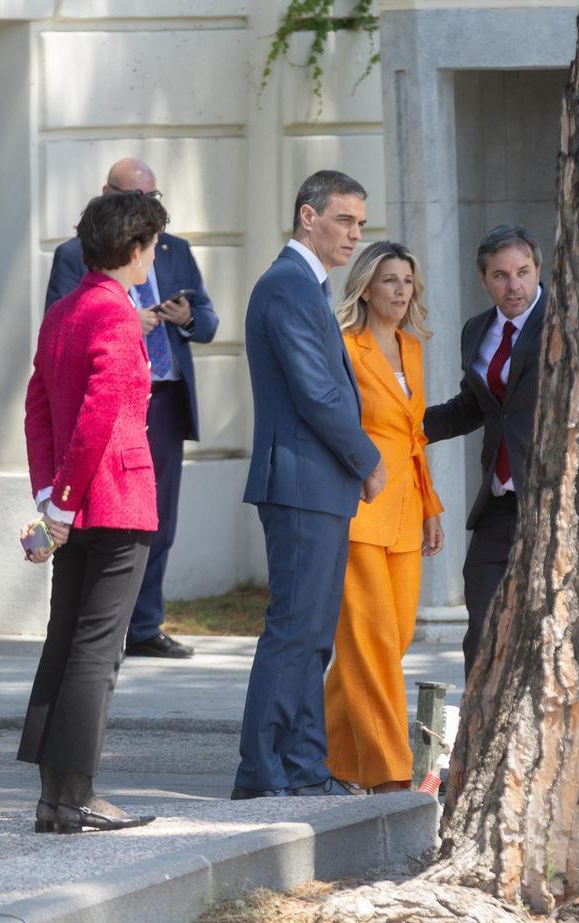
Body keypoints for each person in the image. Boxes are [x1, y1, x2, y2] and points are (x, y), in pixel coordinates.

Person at [233, 170, 385, 800]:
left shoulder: (306, 285)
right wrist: (367, 459)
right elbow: (318, 394)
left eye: (360, 222)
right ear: (307, 217)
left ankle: (302, 768)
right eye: (345, 220)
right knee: (296, 631)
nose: (356, 233)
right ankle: (262, 773)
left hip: (316, 484)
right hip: (301, 482)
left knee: (313, 635)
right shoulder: (288, 285)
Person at [19, 191, 166, 833]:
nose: (152, 255)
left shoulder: (63, 310)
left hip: (74, 502)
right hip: (112, 500)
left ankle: (56, 798)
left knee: (66, 640)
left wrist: (52, 498)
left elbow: (38, 410)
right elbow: (99, 415)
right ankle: (76, 795)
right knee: (95, 653)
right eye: (152, 245)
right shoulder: (115, 313)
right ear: (133, 249)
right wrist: (69, 501)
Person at [45, 157, 218, 660]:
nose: (146, 209)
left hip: (162, 397)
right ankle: (99, 625)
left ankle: (144, 626)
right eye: (136, 198)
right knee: (102, 517)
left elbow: (208, 322)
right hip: (107, 400)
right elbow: (61, 322)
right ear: (106, 193)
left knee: (157, 517)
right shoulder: (74, 254)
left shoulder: (175, 250)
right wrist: (122, 323)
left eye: (153, 199)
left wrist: (186, 317)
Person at [323, 242, 444, 793]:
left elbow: (414, 437)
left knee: (387, 642)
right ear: (366, 287)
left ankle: (328, 757)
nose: (400, 290)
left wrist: (431, 508)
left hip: (408, 510)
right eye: (390, 280)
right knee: (369, 642)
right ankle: (391, 771)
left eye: (407, 281)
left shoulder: (412, 348)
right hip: (361, 508)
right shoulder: (345, 347)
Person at [424, 224, 547, 678]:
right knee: (482, 625)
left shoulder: (565, 322)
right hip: (497, 502)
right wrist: (406, 427)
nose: (513, 285)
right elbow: (473, 407)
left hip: (554, 501)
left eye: (523, 272)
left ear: (538, 270)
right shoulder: (477, 331)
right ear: (484, 279)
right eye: (500, 275)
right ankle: (483, 735)